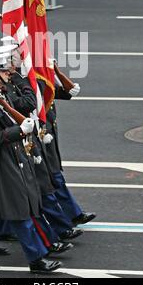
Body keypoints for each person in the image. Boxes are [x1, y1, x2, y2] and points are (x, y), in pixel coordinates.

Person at [0, 51, 61, 273]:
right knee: (19, 209)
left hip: (10, 156)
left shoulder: (1, 94)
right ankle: (36, 259)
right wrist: (20, 130)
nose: (9, 72)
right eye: (4, 70)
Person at [45, 82, 96, 227]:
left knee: (52, 179)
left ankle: (73, 215)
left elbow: (68, 93)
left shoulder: (40, 76)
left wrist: (56, 70)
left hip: (47, 136)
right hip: (38, 137)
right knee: (51, 180)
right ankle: (71, 216)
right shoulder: (26, 79)